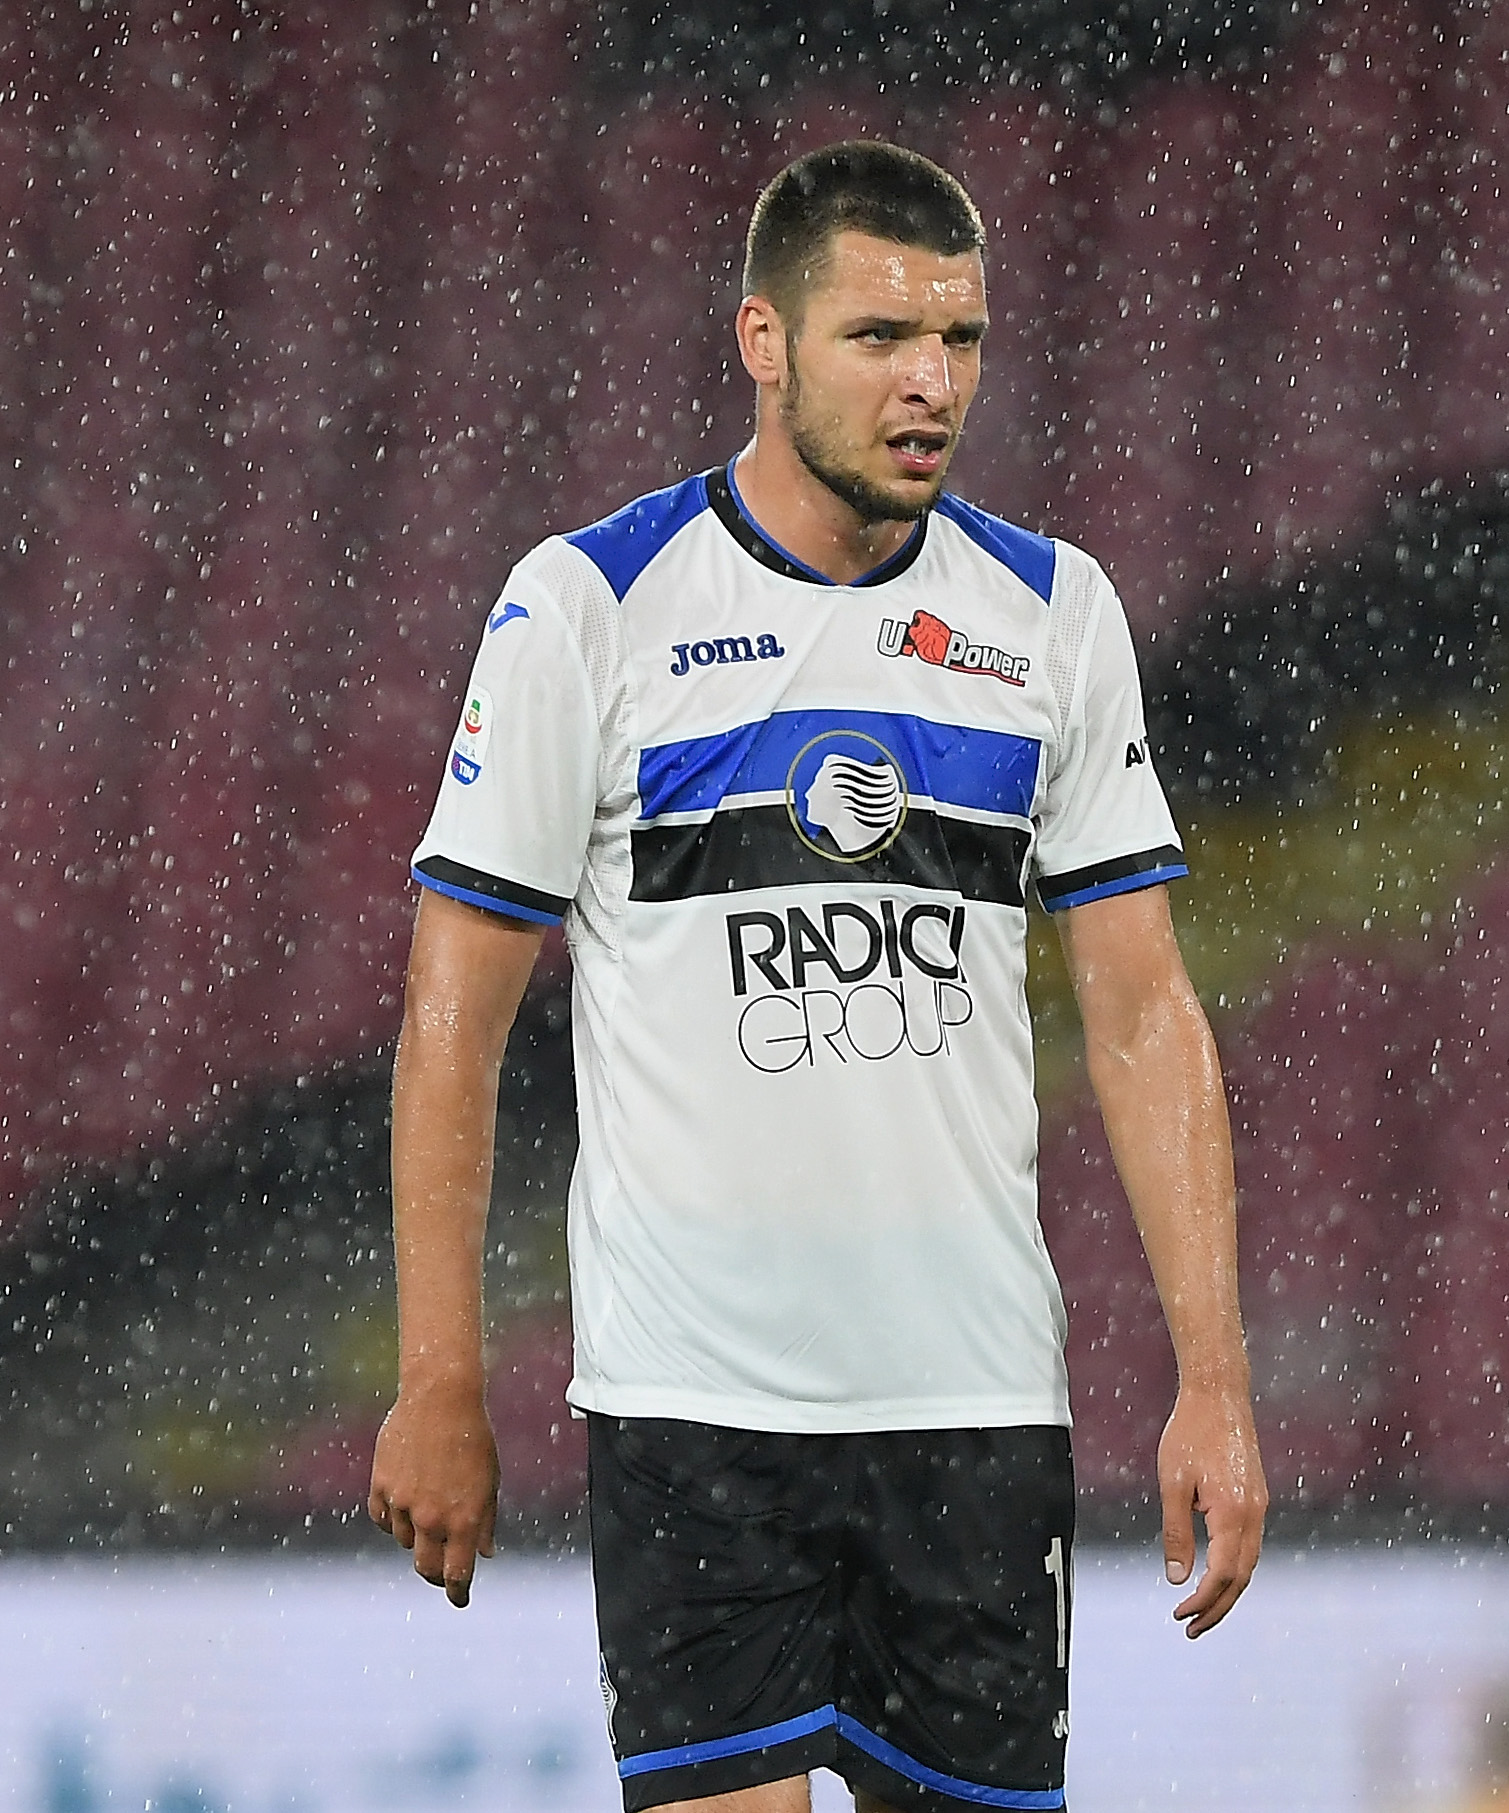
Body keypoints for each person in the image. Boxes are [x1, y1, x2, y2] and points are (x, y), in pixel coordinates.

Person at [366, 140, 1267, 1813]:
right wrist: (439, 1379)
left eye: (964, 340)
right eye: (881, 339)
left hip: (975, 1410)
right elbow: (451, 1022)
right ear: (762, 343)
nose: (933, 383)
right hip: (694, 1410)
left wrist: (1214, 1379)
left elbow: (1145, 1013)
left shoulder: (1055, 614)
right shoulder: (590, 609)